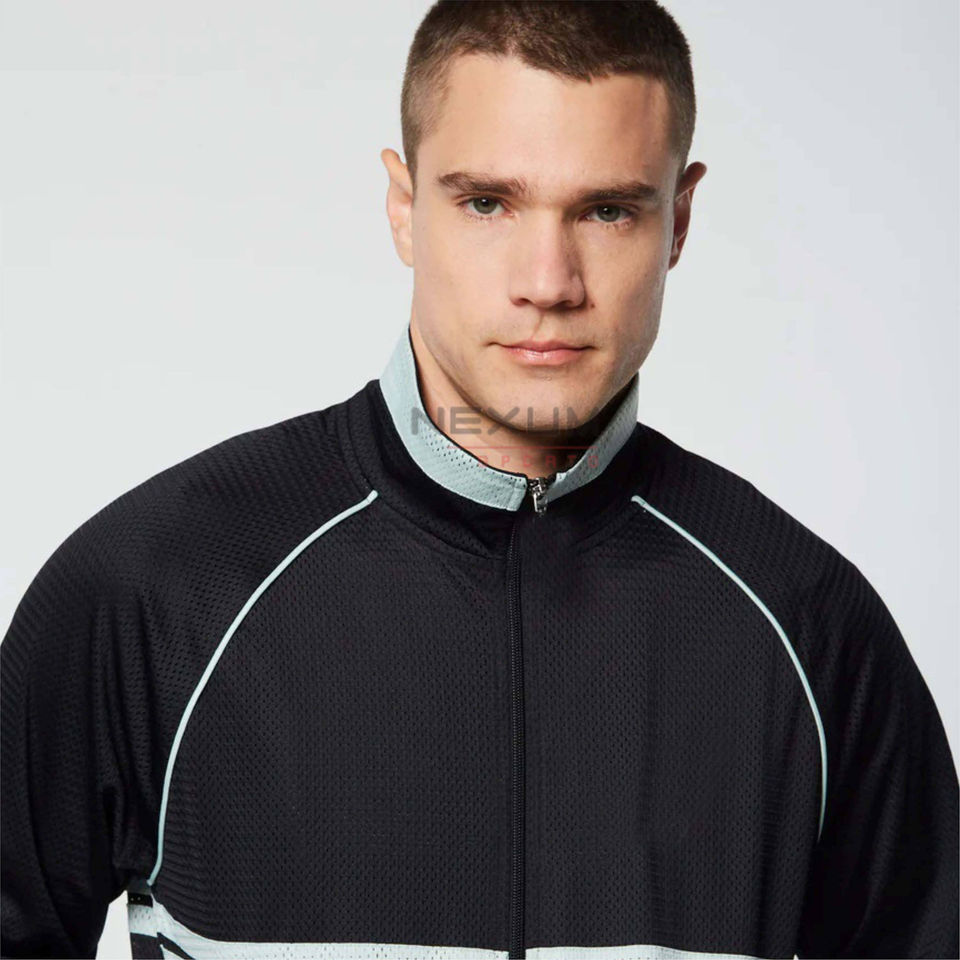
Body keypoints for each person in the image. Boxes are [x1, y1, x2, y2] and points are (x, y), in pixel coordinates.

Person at [2, 1, 957, 958]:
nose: (548, 281)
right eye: (488, 203)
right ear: (402, 206)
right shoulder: (158, 591)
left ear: (679, 220)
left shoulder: (807, 625)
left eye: (608, 210)